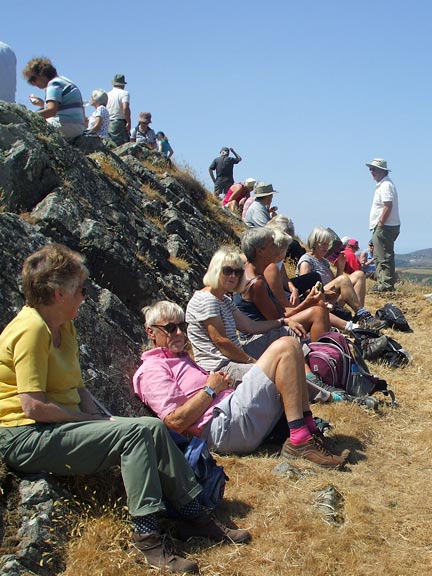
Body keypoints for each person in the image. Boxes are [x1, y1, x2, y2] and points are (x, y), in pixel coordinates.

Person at [0, 243, 250, 574]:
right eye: (80, 289)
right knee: (135, 433)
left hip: (54, 427)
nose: (84, 296)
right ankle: (147, 538)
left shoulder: (64, 325)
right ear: (58, 293)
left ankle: (194, 516)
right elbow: (33, 406)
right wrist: (89, 420)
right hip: (24, 435)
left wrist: (104, 418)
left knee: (151, 426)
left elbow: (77, 390)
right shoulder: (32, 329)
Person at [133, 301, 348, 468]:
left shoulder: (178, 357)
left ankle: (307, 433)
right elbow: (173, 423)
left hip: (230, 415)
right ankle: (300, 439)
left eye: (182, 326)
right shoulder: (152, 369)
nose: (179, 333)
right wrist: (211, 389)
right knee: (285, 347)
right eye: (171, 328)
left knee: (290, 349)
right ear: (151, 332)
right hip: (221, 428)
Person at [296, 226, 385, 330]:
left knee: (359, 275)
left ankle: (361, 317)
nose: (326, 247)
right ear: (314, 243)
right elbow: (304, 289)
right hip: (318, 300)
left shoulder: (324, 262)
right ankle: (364, 316)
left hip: (330, 299)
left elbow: (338, 283)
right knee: (344, 279)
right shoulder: (307, 260)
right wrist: (324, 292)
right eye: (323, 244)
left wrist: (340, 267)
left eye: (327, 244)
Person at [23, 57, 85, 139]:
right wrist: (42, 104)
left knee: (28, 128)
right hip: (77, 127)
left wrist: (28, 115)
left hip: (66, 125)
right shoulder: (63, 81)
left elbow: (51, 111)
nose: (33, 83)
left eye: (32, 79)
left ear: (42, 74)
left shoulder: (54, 84)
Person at [366, 158, 400, 292]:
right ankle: (383, 283)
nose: (371, 172)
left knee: (383, 256)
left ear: (382, 171)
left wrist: (380, 223)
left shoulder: (385, 185)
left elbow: (388, 205)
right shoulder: (384, 184)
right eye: (370, 169)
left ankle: (386, 285)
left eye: (373, 169)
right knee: (380, 255)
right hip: (384, 226)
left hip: (385, 226)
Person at [106, 74, 131, 146]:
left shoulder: (108, 94)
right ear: (123, 85)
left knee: (110, 144)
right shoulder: (124, 93)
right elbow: (125, 108)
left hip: (109, 122)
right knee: (121, 145)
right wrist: (128, 122)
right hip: (119, 123)